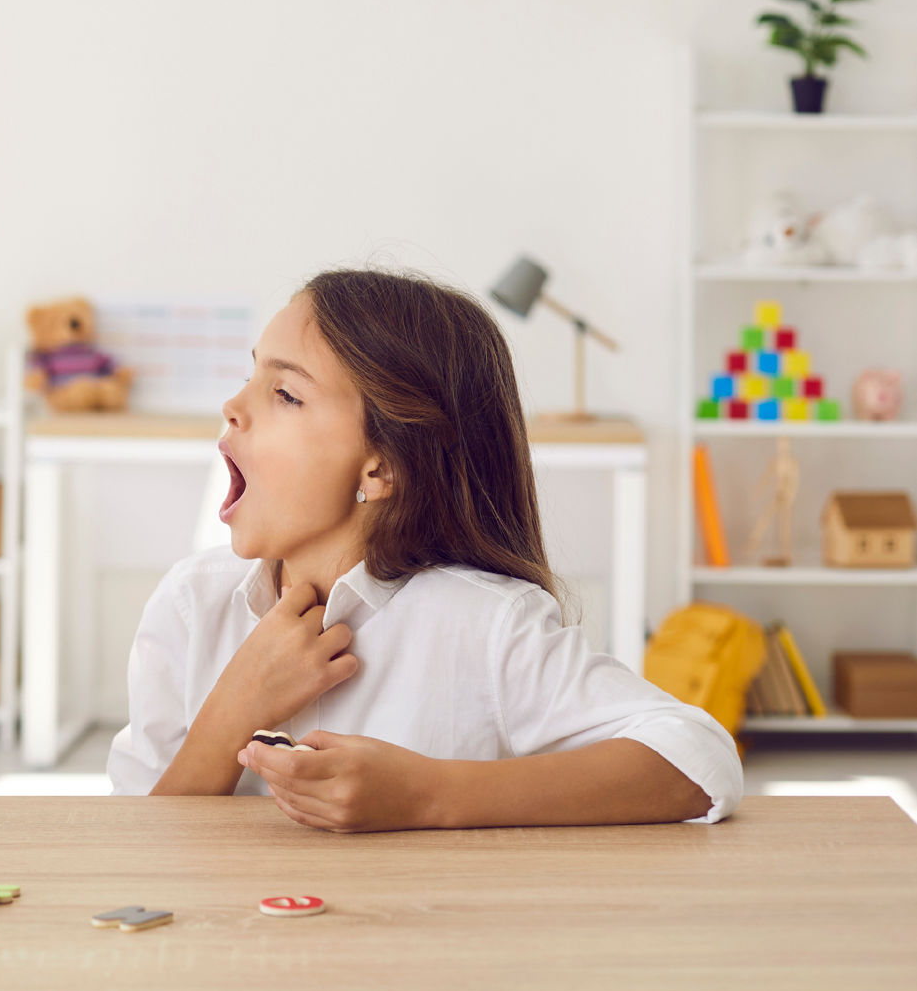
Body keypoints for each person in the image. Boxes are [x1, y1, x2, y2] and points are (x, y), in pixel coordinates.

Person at [106, 268, 742, 831]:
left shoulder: (487, 624)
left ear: (381, 468)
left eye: (286, 394)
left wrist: (429, 795)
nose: (233, 405)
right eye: (251, 376)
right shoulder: (191, 605)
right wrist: (230, 713)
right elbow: (135, 848)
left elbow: (697, 756)